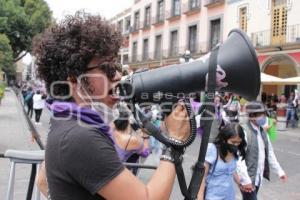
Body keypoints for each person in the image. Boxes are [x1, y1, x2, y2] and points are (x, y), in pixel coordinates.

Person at [34, 11, 190, 200]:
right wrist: (174, 140)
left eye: (116, 67)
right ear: (74, 80)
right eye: (107, 68)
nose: (117, 75)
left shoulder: (66, 124)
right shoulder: (80, 136)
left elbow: (42, 180)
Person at [238, 101, 287, 200]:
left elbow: (269, 153)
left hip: (258, 178)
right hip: (248, 179)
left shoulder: (262, 131)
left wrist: (279, 171)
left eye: (264, 114)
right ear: (252, 115)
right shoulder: (244, 131)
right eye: (261, 114)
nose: (264, 117)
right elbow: (239, 159)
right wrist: (246, 181)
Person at [197, 123, 247, 200]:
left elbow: (231, 170)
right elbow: (201, 177)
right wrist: (200, 198)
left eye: (239, 142)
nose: (236, 145)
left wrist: (240, 183)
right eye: (233, 142)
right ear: (224, 139)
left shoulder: (234, 151)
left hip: (229, 196)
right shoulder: (213, 150)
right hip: (212, 196)